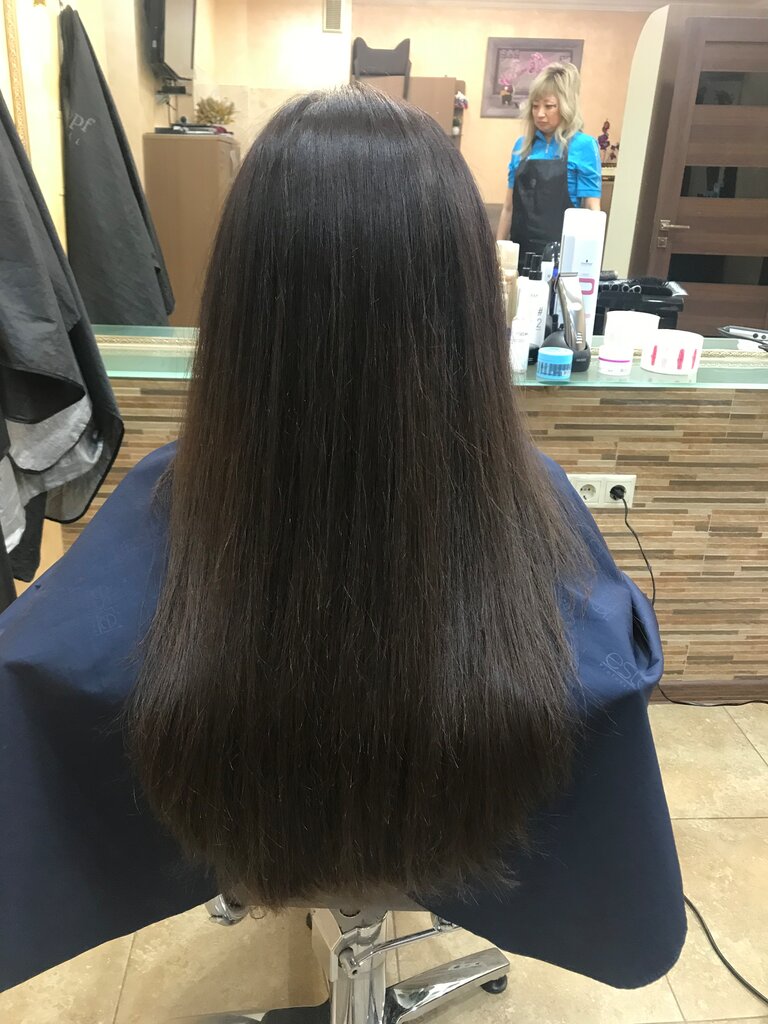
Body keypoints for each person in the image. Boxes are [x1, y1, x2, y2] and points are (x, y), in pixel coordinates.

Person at [0, 85, 685, 993]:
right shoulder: (536, 491)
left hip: (248, 835)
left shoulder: (167, 490)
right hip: (449, 841)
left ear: (243, 302)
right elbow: (606, 669)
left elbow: (43, 661)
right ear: (462, 306)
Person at [496, 63, 602, 255]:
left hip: (563, 257)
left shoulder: (584, 145)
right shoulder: (521, 146)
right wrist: (497, 253)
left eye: (549, 106)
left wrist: (589, 261)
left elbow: (591, 208)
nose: (540, 114)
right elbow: (508, 208)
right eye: (535, 106)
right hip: (519, 255)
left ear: (566, 106)